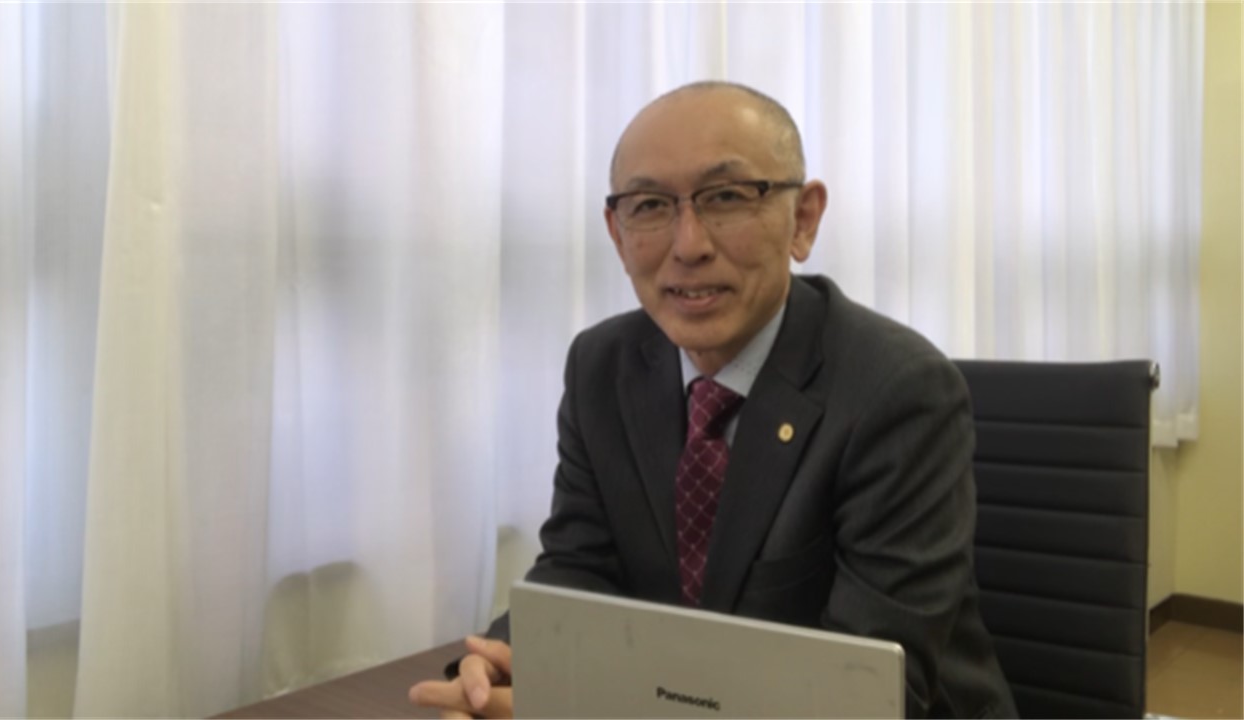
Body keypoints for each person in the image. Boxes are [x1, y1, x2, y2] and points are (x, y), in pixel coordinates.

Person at [409, 81, 1017, 719]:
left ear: (803, 219)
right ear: (617, 233)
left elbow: (861, 690)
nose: (689, 245)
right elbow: (579, 567)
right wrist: (505, 662)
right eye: (650, 205)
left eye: (726, 197)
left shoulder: (898, 391)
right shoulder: (602, 367)